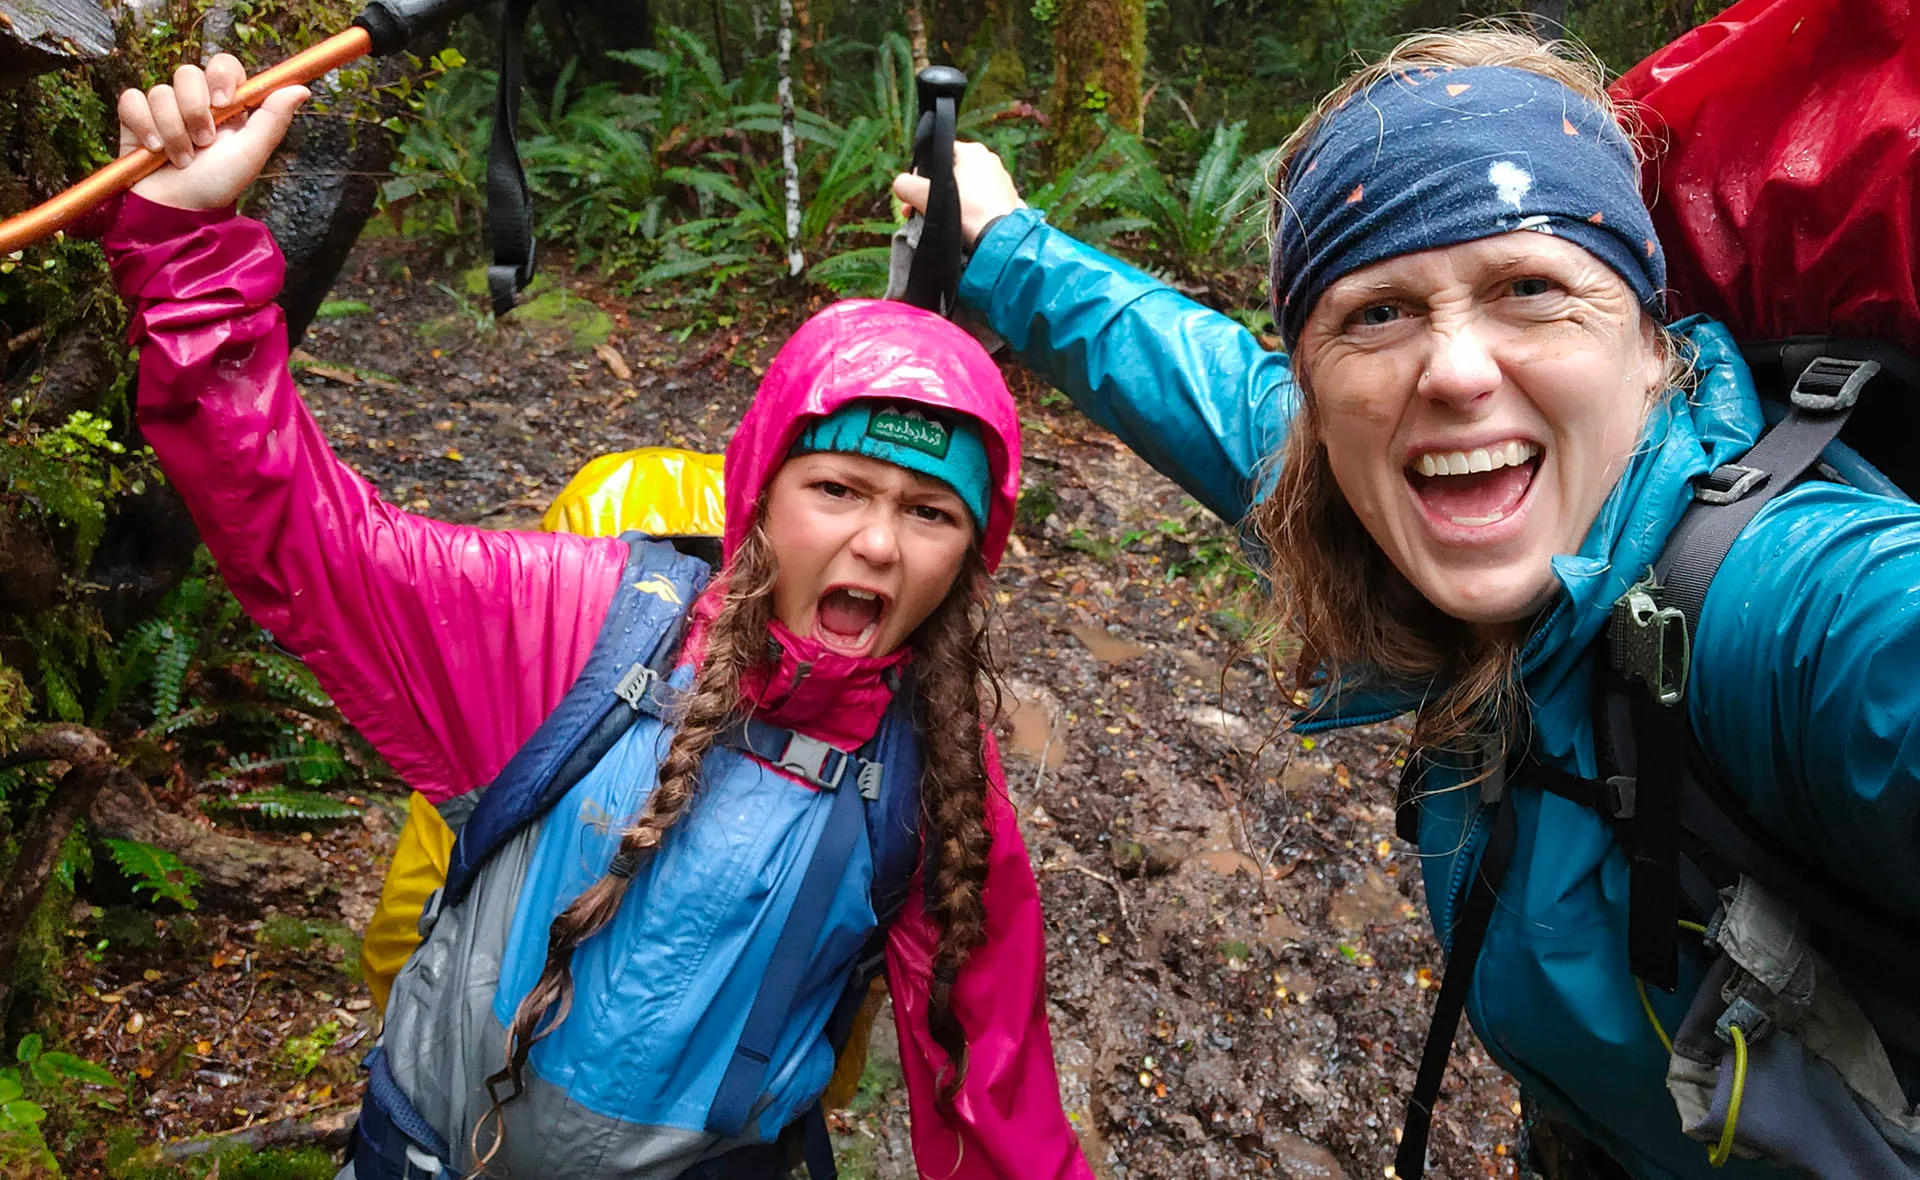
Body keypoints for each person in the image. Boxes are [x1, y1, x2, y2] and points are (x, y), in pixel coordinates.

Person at [894, 25, 1920, 1180]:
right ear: (1322, 397)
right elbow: (1210, 387)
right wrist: (998, 244)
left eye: (1531, 289)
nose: (1454, 371)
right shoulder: (1401, 495)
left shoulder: (1789, 611)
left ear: (1653, 343)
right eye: (1375, 312)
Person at [104, 56, 1095, 1180]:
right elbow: (310, 543)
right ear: (756, 490)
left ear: (973, 554)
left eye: (929, 512)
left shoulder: (940, 790)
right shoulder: (581, 630)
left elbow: (999, 1108)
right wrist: (188, 251)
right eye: (837, 489)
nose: (877, 543)